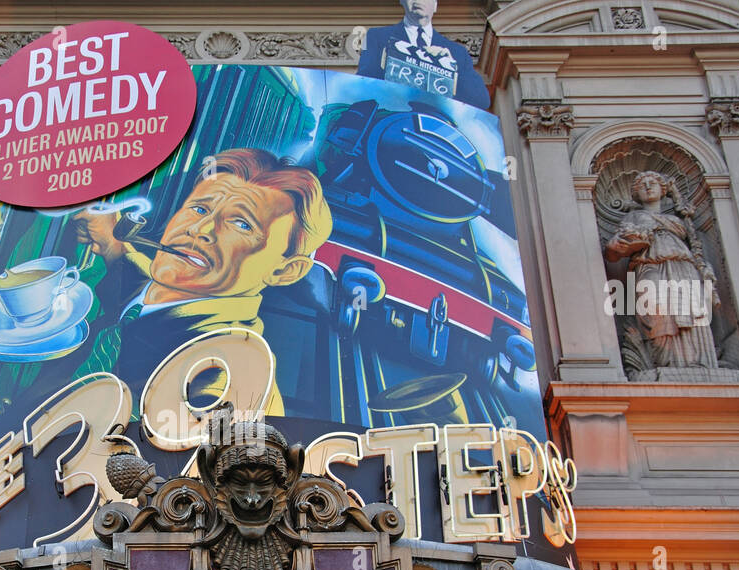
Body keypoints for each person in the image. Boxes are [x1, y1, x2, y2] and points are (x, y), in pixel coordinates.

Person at [71, 148, 332, 412]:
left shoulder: (228, 376)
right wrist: (111, 243)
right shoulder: (171, 293)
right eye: (199, 208)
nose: (198, 229)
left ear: (284, 271)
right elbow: (145, 291)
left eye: (242, 224)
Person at [605, 170, 720, 373]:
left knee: (689, 311)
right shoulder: (633, 217)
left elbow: (696, 247)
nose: (648, 187)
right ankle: (665, 361)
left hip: (683, 266)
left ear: (663, 189)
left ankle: (696, 362)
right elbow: (615, 249)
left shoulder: (678, 220)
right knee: (656, 310)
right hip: (649, 265)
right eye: (643, 185)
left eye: (653, 183)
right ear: (636, 194)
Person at [357, 0, 490, 109]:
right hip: (389, 118)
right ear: (402, 1)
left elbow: (482, 101)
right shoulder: (376, 37)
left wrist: (452, 68)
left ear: (435, 5)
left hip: (436, 129)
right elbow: (362, 83)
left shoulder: (456, 52)